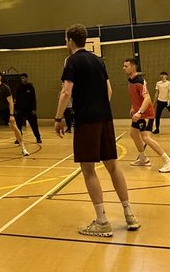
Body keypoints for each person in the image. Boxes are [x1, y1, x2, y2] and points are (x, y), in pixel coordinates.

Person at [53, 26, 139, 236]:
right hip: (105, 118)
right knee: (112, 166)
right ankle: (129, 214)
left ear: (70, 41)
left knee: (88, 169)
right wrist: (99, 106)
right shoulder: (98, 60)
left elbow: (66, 92)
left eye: (66, 40)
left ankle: (102, 221)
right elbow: (108, 90)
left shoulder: (71, 61)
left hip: (87, 120)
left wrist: (58, 118)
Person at [124, 59, 170, 173]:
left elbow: (147, 98)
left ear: (133, 67)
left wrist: (139, 112)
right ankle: (143, 158)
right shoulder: (130, 81)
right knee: (133, 134)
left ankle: (168, 161)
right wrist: (133, 108)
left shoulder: (139, 81)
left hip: (146, 114)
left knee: (146, 137)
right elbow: (136, 97)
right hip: (139, 112)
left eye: (126, 66)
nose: (124, 68)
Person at [0, 70, 29, 157]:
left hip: (5, 110)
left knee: (14, 127)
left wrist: (11, 115)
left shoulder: (5, 88)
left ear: (0, 77)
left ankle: (23, 148)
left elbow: (10, 102)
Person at [13, 72, 42, 147]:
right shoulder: (18, 87)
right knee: (18, 125)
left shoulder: (30, 87)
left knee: (34, 125)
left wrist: (34, 109)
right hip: (20, 110)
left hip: (30, 110)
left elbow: (34, 99)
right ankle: (18, 138)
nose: (22, 79)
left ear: (26, 78)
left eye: (23, 78)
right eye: (21, 78)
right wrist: (15, 109)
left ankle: (38, 137)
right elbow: (16, 99)